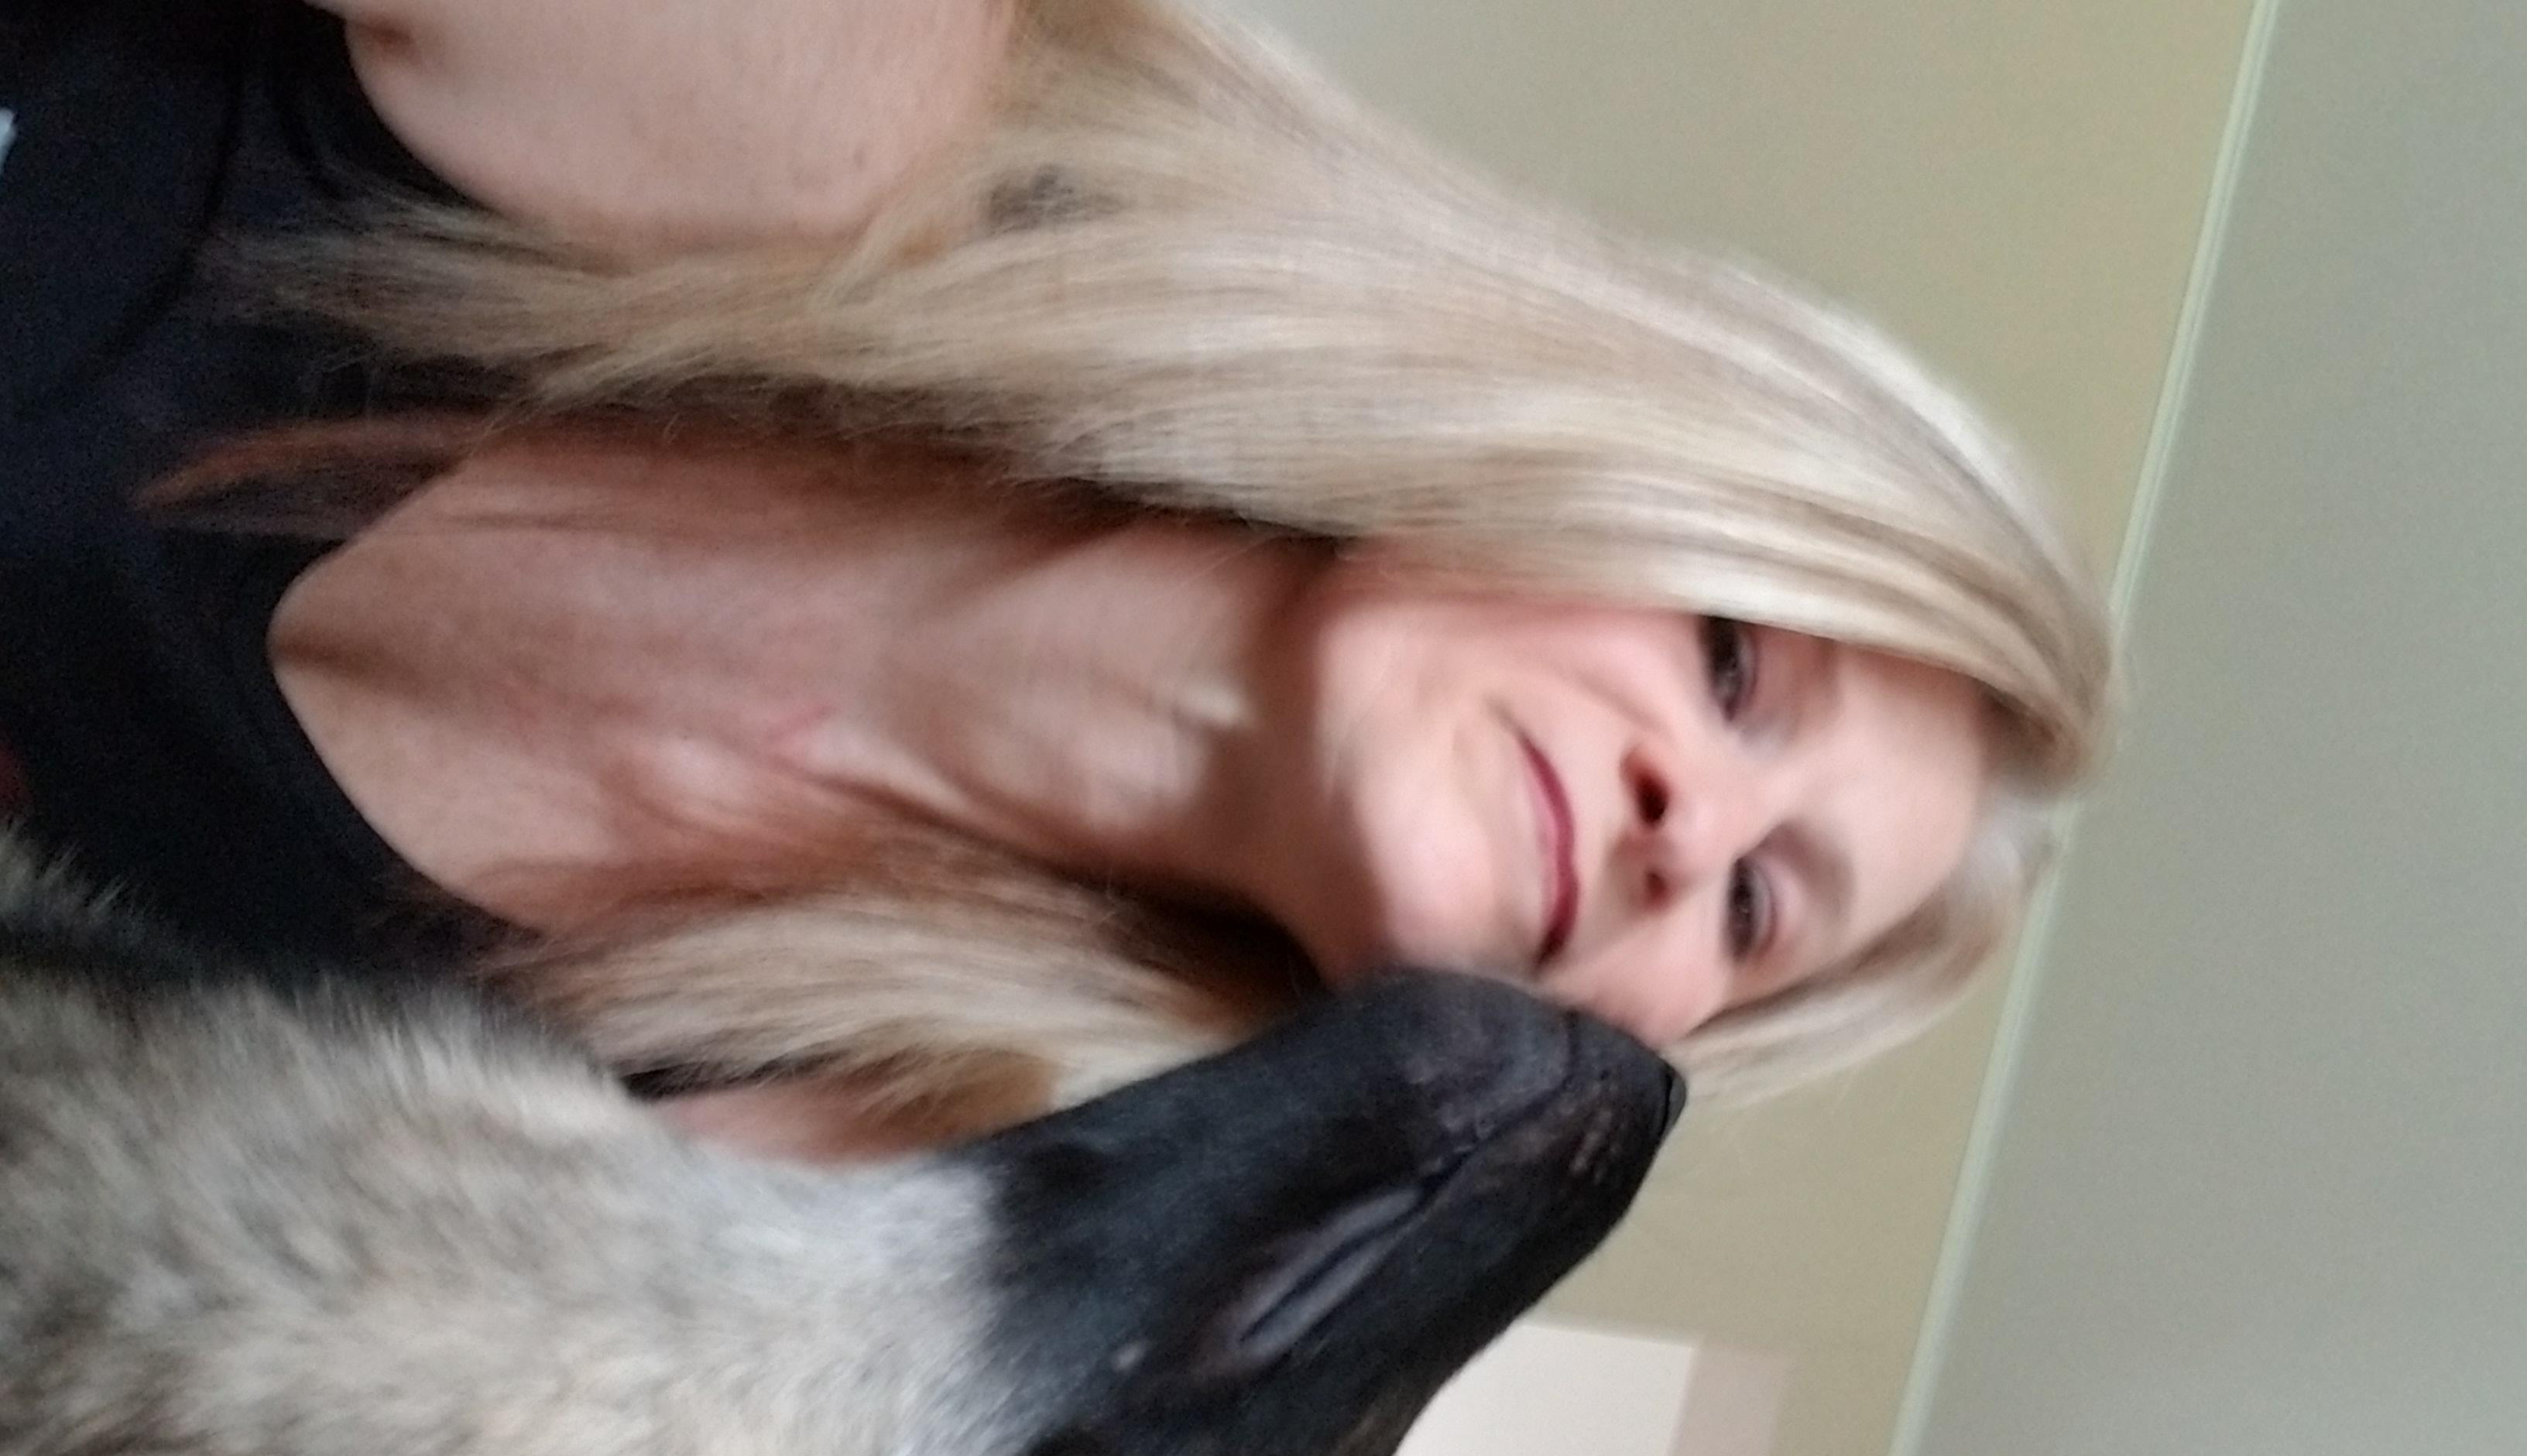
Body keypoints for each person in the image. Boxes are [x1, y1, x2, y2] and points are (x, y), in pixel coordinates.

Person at [0, 0, 2114, 1155]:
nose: (1689, 830)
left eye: (1758, 912)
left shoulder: (803, 1168)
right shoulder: (836, 100)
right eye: (1735, 663)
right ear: (1585, 453)